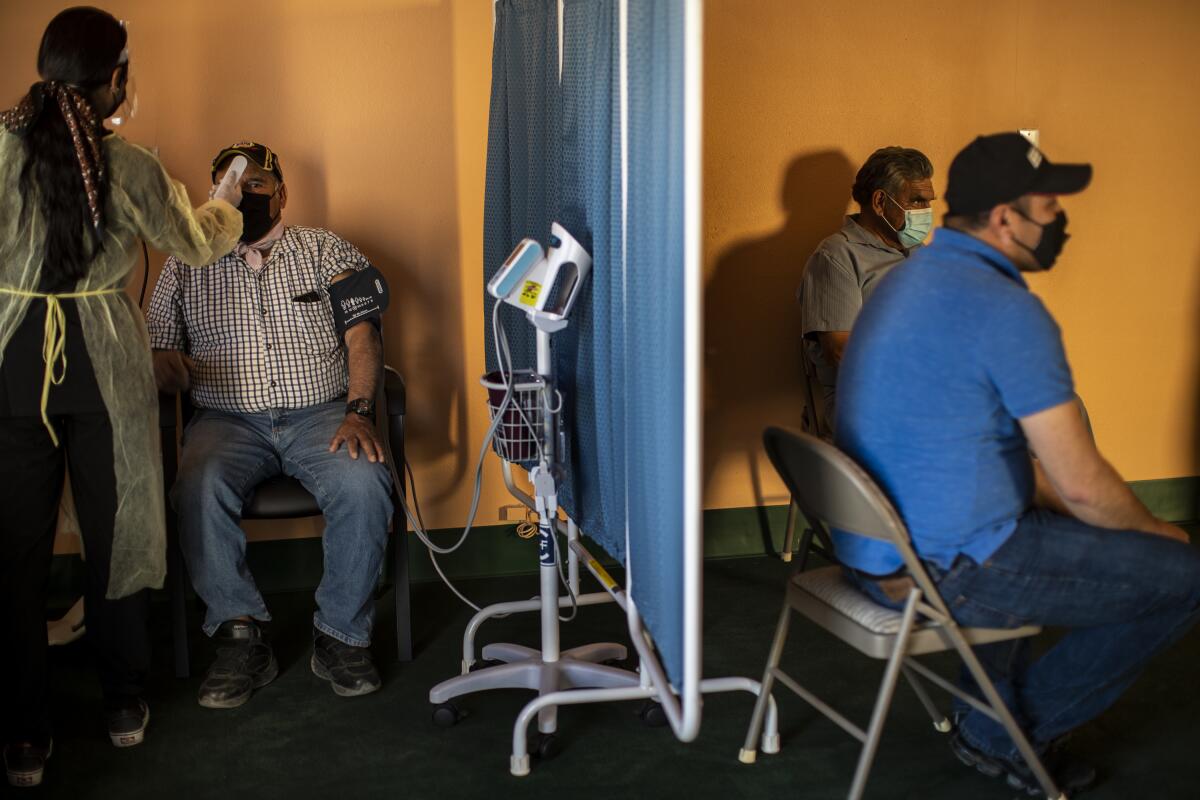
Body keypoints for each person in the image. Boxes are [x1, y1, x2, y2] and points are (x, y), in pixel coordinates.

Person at [834, 132, 1200, 795]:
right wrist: (1158, 534)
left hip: (878, 545)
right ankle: (999, 732)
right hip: (942, 568)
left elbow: (1014, 466)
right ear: (1005, 218)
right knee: (1185, 574)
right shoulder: (1006, 310)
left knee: (1056, 525)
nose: (1061, 221)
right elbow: (1083, 486)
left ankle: (994, 708)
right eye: (1051, 208)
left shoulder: (911, 277)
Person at [0, 7, 242, 788]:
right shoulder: (130, 163)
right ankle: (123, 704)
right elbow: (199, 241)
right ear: (115, 80)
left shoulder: (0, 153)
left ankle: (26, 737)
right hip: (104, 369)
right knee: (120, 539)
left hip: (10, 366)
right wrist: (228, 194)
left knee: (16, 555)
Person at [146, 141, 393, 709]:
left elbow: (363, 336)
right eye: (229, 185)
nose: (243, 194)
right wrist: (168, 367)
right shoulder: (186, 262)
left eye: (255, 183)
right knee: (198, 484)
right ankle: (240, 636)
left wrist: (359, 411)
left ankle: (340, 635)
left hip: (322, 414)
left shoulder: (325, 249)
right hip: (227, 420)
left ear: (282, 193)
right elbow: (160, 349)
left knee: (364, 478)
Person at [796, 146, 934, 425]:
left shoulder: (923, 254)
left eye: (928, 202)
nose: (926, 212)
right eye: (917, 202)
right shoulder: (837, 257)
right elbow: (843, 353)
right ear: (880, 202)